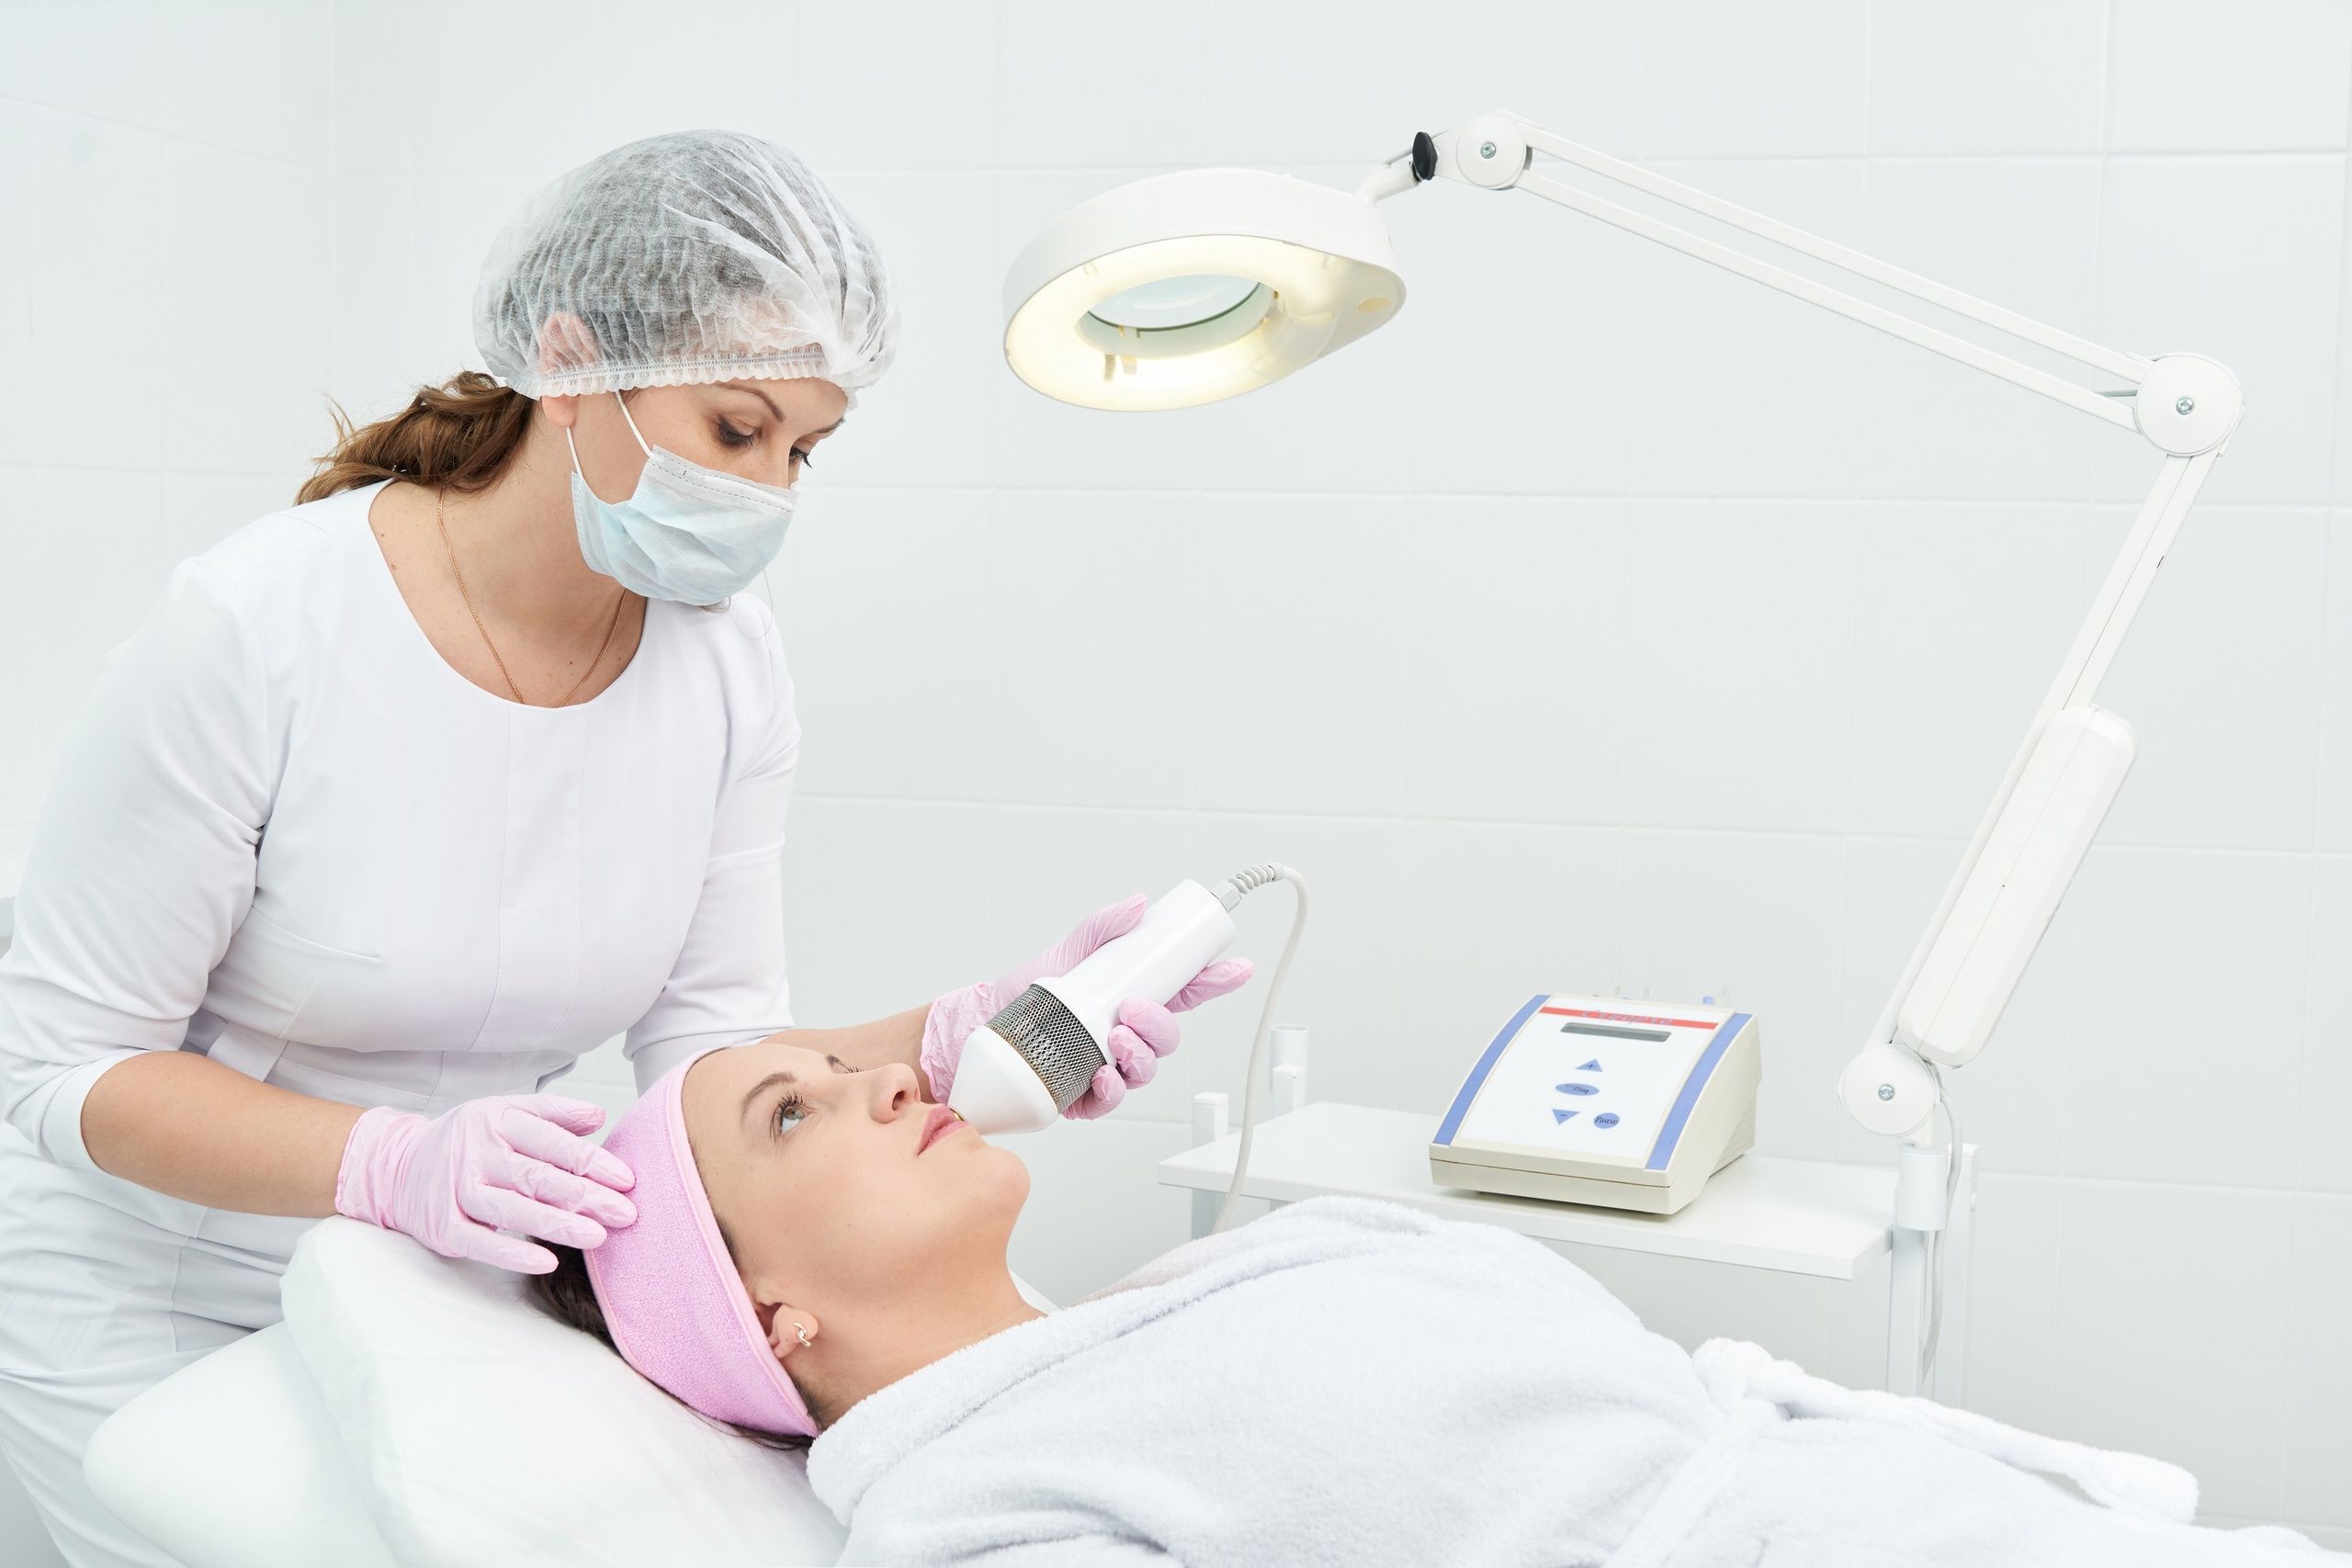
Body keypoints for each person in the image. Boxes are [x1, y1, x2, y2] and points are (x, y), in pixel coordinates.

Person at [0, 130, 1250, 1568]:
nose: (771, 490)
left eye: (803, 450)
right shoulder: (259, 632)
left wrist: (957, 1035)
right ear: (570, 361)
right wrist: (386, 1162)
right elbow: (63, 1069)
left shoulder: (727, 665)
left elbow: (711, 1056)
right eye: (736, 429)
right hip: (148, 1288)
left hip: (445, 1289)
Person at [533, 1035, 2342, 1567]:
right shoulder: (963, 1511)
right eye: (792, 1114)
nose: (878, 1075)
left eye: (838, 1059)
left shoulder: (1198, 1281)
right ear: (768, 1314)